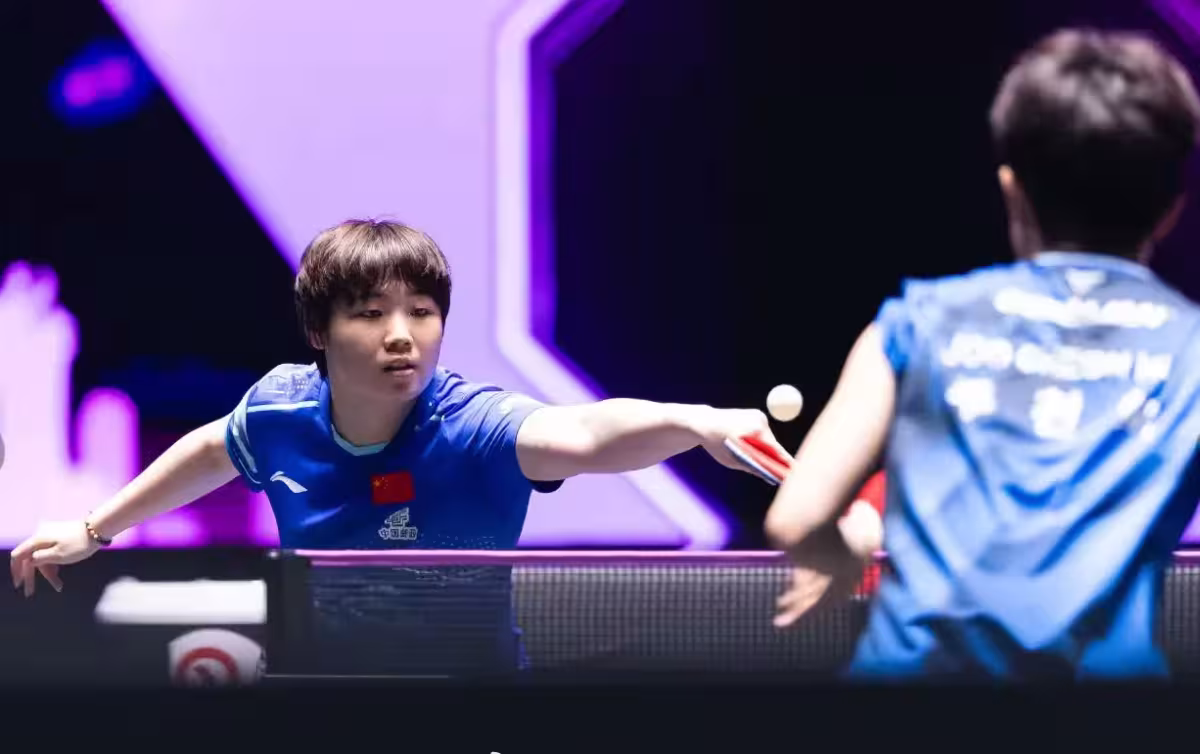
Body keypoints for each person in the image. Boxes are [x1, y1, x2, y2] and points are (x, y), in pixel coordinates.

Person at [9, 219, 787, 674]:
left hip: (468, 703)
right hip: (321, 691)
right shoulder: (281, 409)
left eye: (421, 311)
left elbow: (583, 433)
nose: (401, 335)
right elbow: (214, 449)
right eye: (370, 313)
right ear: (319, 333)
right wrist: (96, 528)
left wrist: (700, 423)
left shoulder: (473, 425)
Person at [763, 28, 1200, 680]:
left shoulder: (911, 323)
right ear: (1172, 210)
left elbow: (797, 519)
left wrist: (843, 550)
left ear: (1012, 189)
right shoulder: (1191, 349)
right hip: (1106, 717)